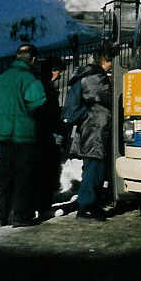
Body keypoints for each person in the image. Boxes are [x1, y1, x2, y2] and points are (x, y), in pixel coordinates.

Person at [0, 43, 47, 227]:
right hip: (23, 133)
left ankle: (1, 215)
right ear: (33, 59)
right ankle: (20, 215)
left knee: (4, 175)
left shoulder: (3, 77)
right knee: (23, 176)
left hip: (3, 133)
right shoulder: (29, 78)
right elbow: (38, 101)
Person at [68, 46, 113, 221]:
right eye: (110, 61)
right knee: (94, 169)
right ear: (104, 60)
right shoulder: (96, 77)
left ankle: (90, 205)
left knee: (92, 167)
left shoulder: (85, 74)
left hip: (89, 128)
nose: (111, 65)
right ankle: (86, 207)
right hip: (95, 129)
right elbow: (108, 97)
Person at [35, 57, 65, 222]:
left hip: (41, 134)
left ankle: (40, 204)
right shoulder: (47, 89)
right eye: (58, 71)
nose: (59, 75)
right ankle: (44, 207)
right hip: (49, 134)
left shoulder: (38, 86)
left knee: (42, 171)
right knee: (48, 171)